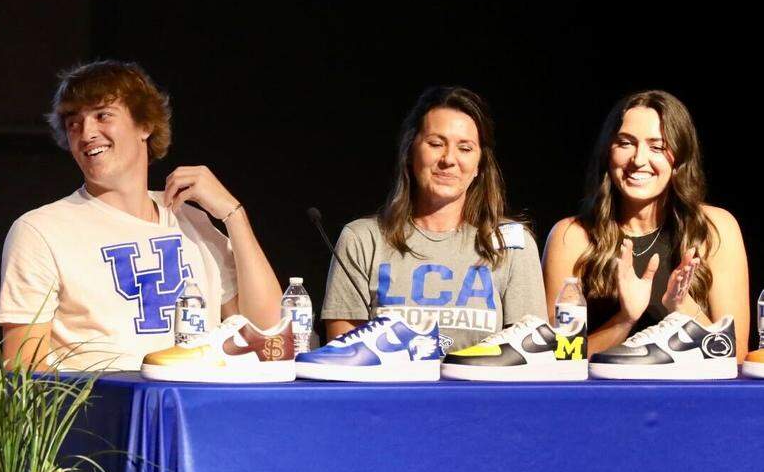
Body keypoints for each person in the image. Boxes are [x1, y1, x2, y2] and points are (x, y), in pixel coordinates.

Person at [0, 60, 282, 370]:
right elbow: (24, 368)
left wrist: (233, 214)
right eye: (74, 122)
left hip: (196, 412)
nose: (87, 132)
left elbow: (267, 331)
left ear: (145, 125)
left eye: (102, 115)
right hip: (103, 415)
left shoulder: (191, 222)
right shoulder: (41, 230)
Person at [321, 86, 546, 351]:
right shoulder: (362, 239)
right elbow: (345, 355)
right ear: (410, 152)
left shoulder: (512, 243)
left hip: (480, 392)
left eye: (465, 148)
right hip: (392, 392)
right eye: (436, 144)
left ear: (479, 166)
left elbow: (531, 351)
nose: (449, 159)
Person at [542, 90, 749, 359]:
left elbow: (735, 356)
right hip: (600, 398)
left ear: (681, 158)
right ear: (608, 151)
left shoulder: (715, 228)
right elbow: (554, 357)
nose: (639, 160)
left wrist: (681, 306)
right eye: (626, 143)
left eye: (657, 147)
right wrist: (624, 319)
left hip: (692, 399)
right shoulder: (571, 236)